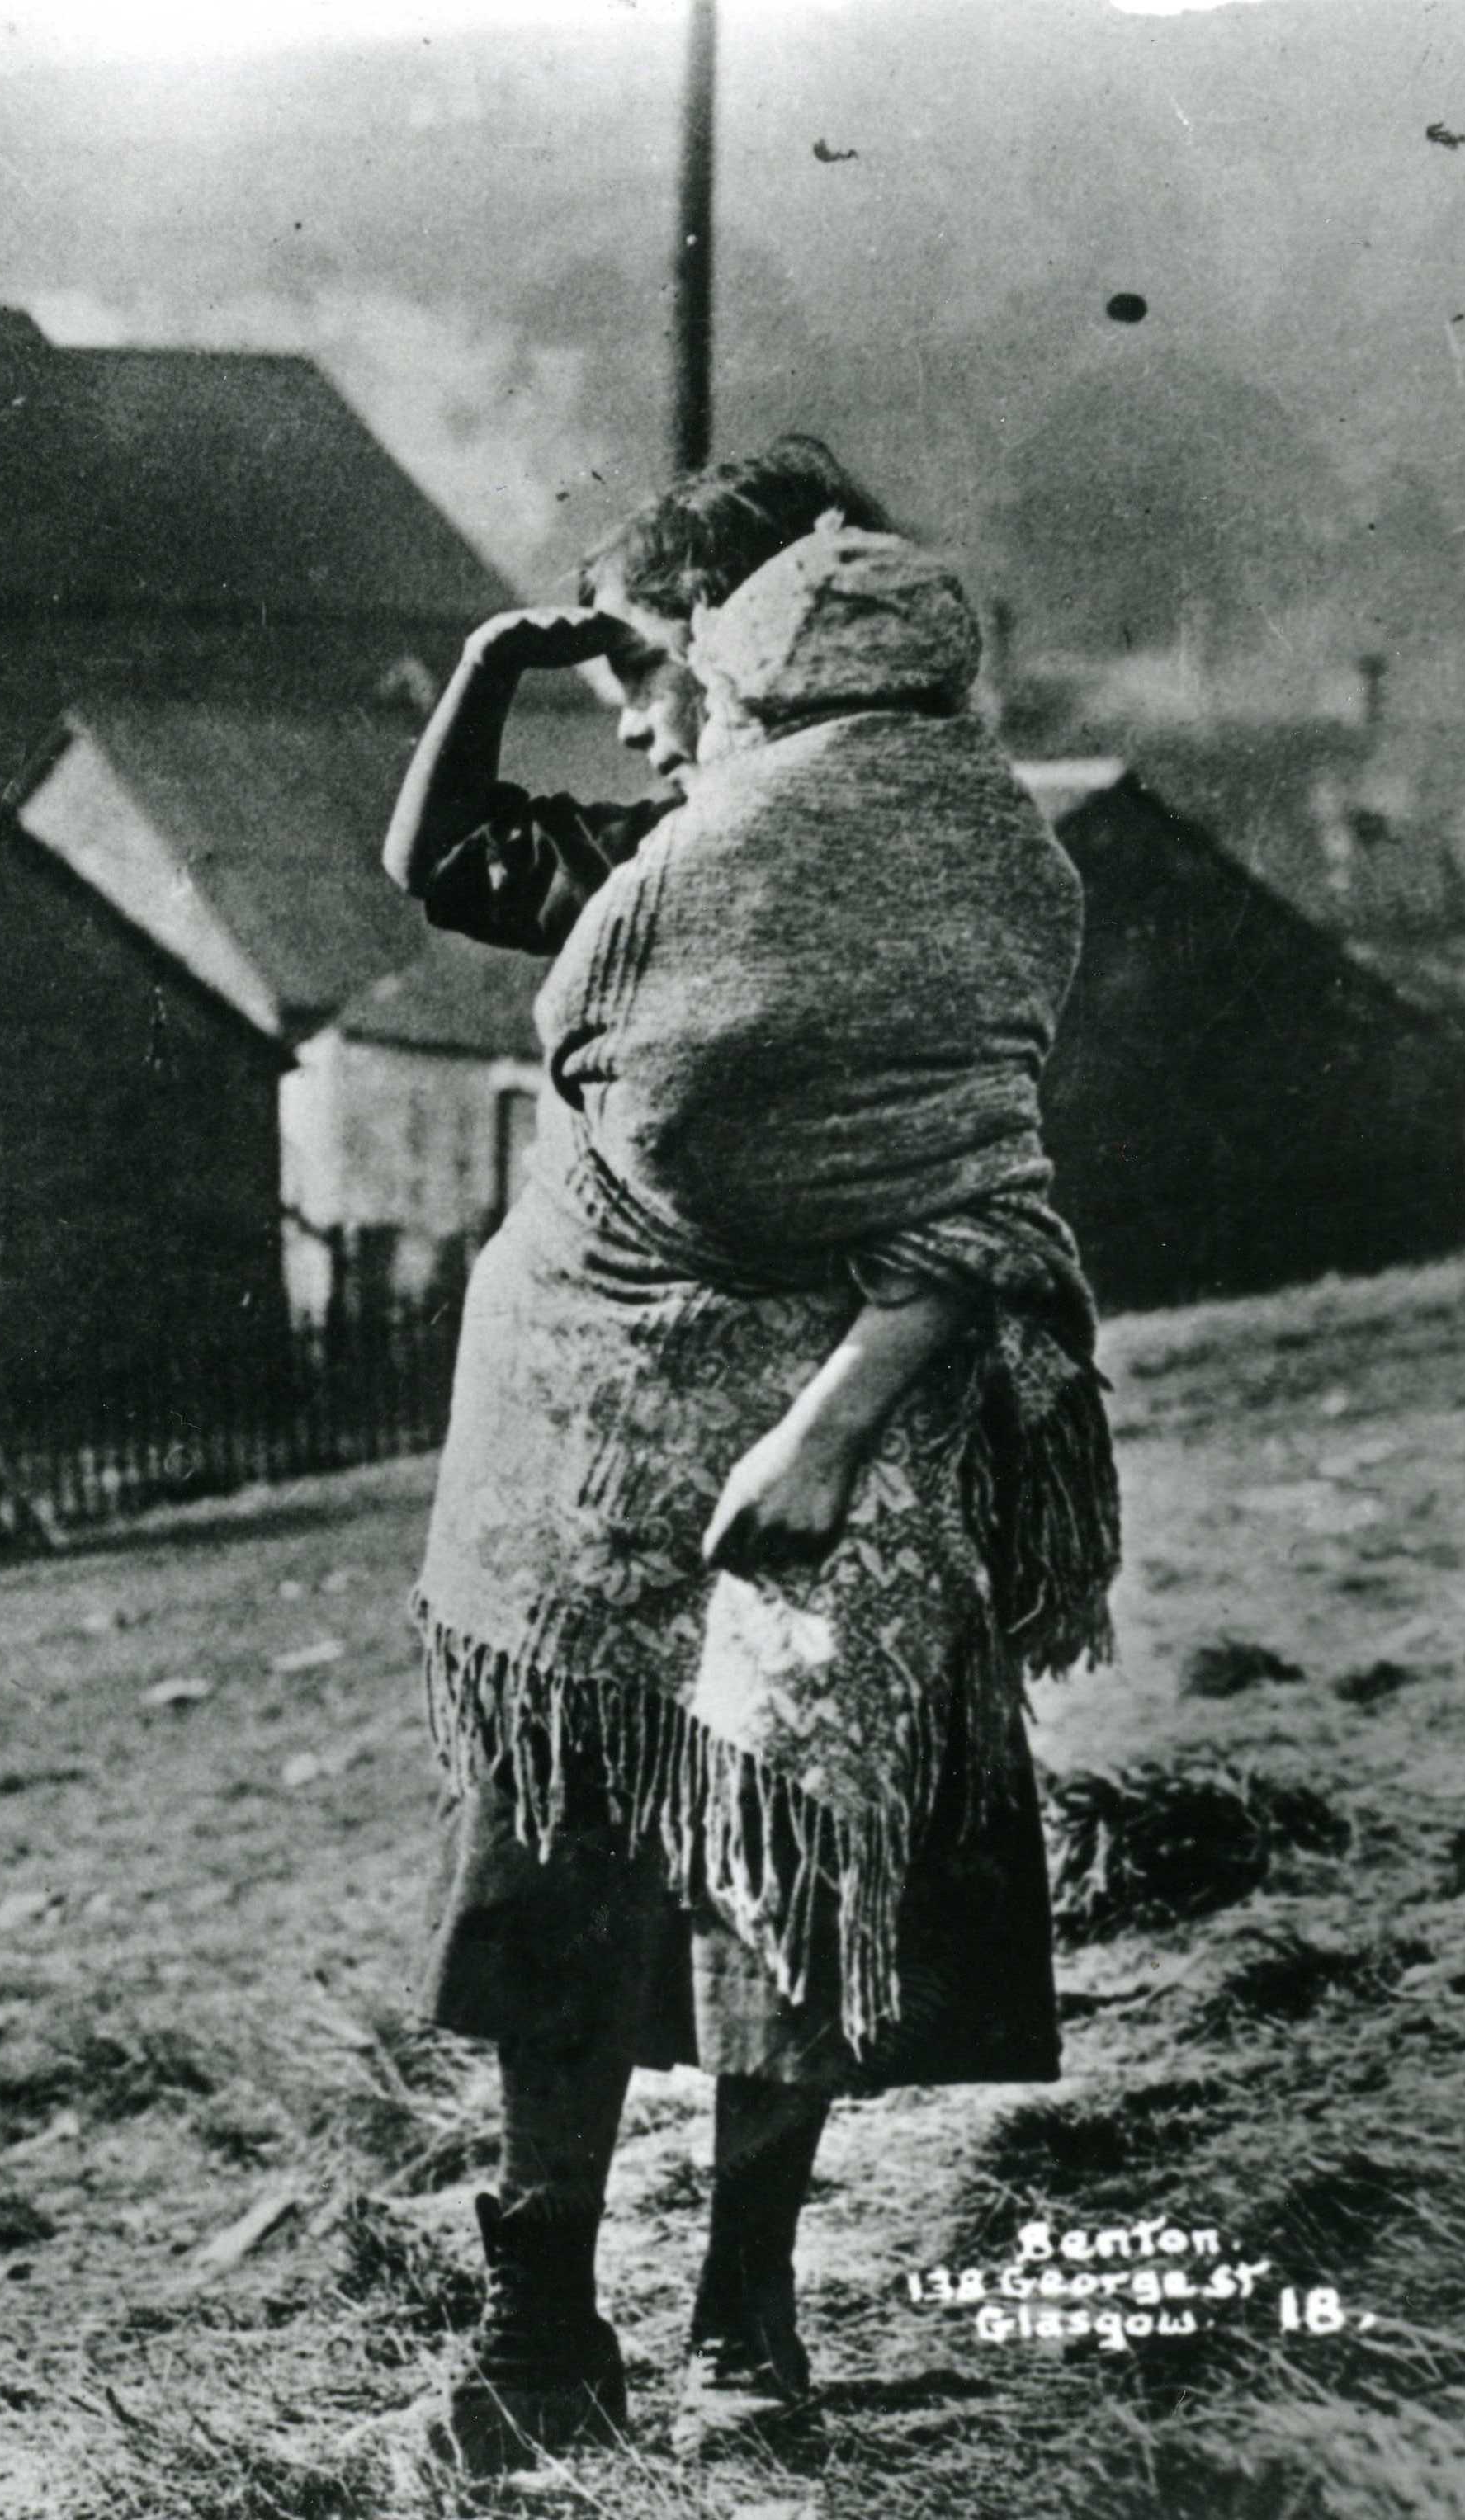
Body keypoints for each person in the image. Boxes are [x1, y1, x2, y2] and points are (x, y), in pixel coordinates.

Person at [366, 438, 1117, 2476]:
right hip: (584, 1441)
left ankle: (743, 2326)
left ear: (740, 647)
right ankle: (533, 2321)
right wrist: (485, 665)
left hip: (815, 1447)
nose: (618, 697)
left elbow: (973, 1190)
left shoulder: (920, 868)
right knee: (561, 1863)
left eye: (637, 653)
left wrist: (833, 1417)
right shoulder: (649, 854)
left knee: (787, 1866)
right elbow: (437, 870)